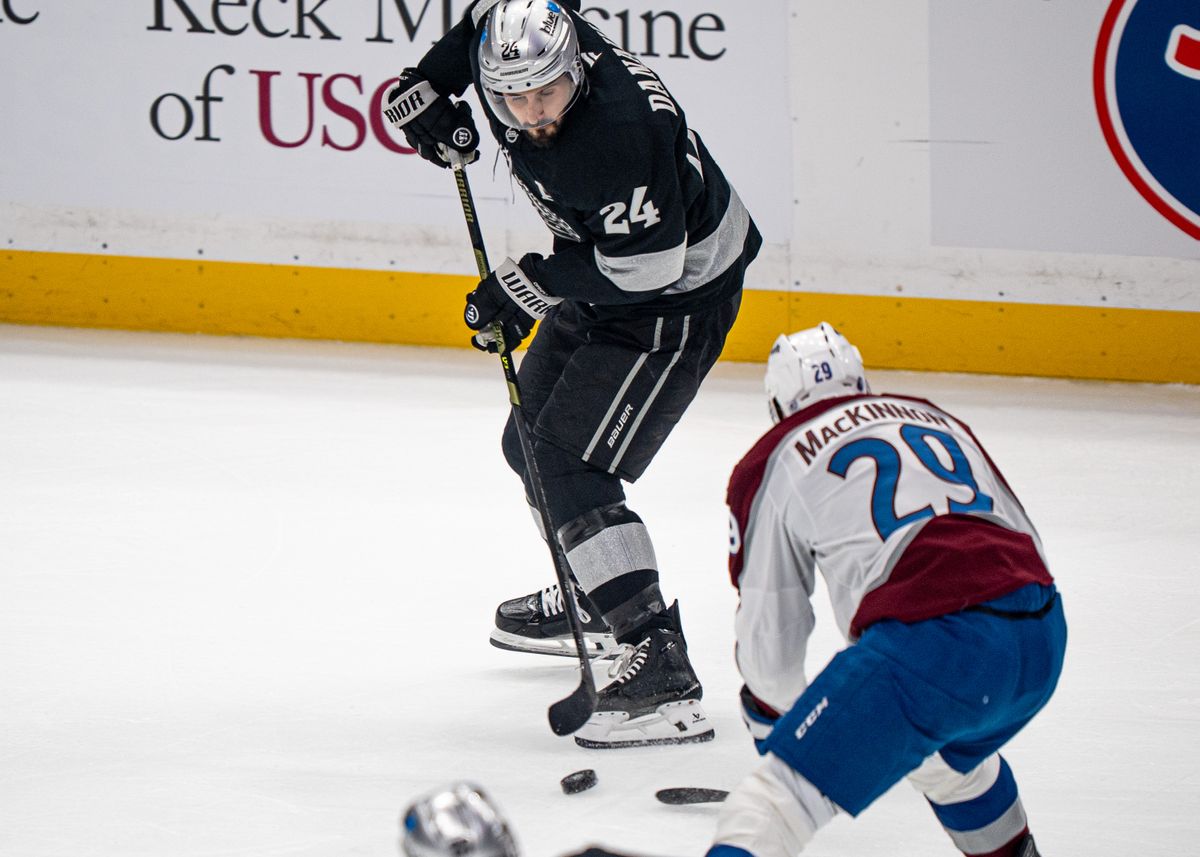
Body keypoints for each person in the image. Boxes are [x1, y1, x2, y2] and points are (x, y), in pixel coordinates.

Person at [383, 0, 761, 749]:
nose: (531, 112)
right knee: (528, 443)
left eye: (546, 93)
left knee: (570, 463)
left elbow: (647, 269)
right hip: (602, 267)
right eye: (512, 98)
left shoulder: (617, 136)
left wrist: (528, 285)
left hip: (675, 295)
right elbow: (489, 20)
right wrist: (427, 85)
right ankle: (599, 593)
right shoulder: (524, 59)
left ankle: (661, 664)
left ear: (577, 66)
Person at [705, 323, 1066, 857]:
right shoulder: (936, 417)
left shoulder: (775, 456)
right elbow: (1021, 535)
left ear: (779, 404)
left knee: (770, 808)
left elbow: (773, 642)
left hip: (936, 646)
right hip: (1043, 635)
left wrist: (778, 722)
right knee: (950, 767)